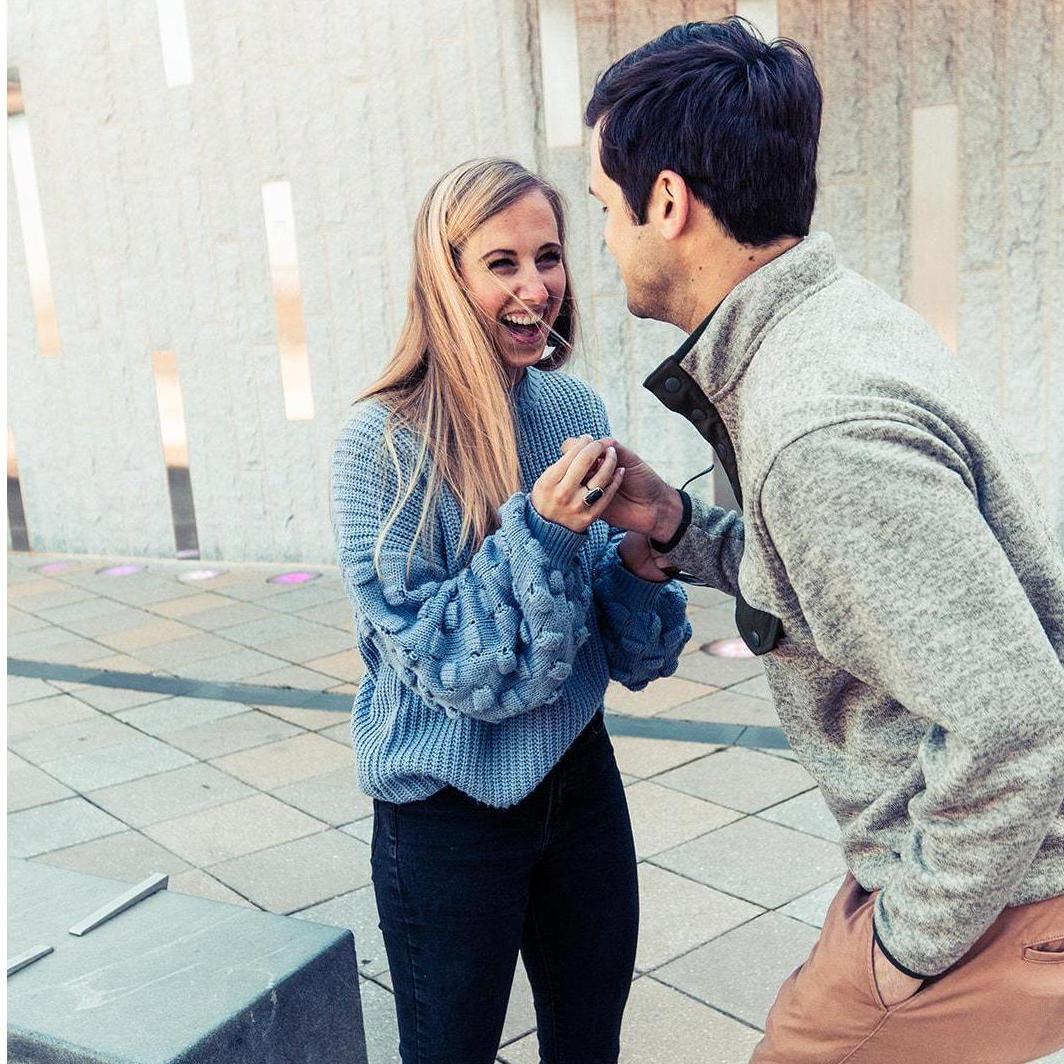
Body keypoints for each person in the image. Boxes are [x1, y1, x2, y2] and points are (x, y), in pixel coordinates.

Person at [581, 17, 1064, 1064]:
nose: (603, 239)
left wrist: (906, 948)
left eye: (601, 208)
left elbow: (1017, 718)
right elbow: (825, 580)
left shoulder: (815, 422)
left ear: (665, 202)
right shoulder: (828, 326)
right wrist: (677, 526)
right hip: (962, 857)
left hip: (993, 898)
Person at [331, 157, 691, 1064]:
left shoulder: (571, 405)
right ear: (447, 276)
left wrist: (644, 566)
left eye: (550, 256)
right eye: (502, 263)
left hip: (580, 784)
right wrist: (541, 531)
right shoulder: (376, 446)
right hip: (446, 814)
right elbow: (450, 663)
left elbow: (621, 646)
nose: (537, 287)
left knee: (589, 1044)